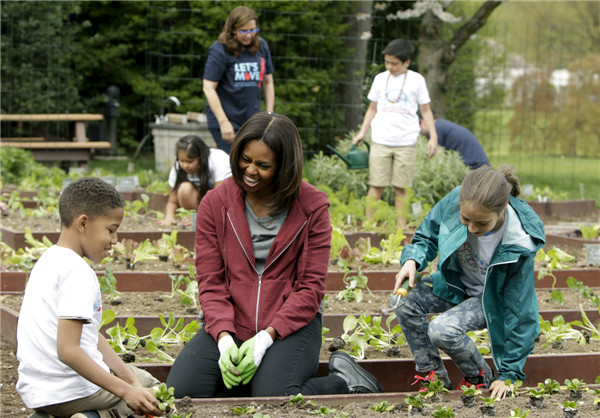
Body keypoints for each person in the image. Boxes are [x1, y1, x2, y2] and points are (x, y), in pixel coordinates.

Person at [166, 112, 383, 397]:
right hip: (231, 319)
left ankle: (346, 382)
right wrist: (223, 338)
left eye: (263, 165)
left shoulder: (312, 207)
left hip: (290, 324)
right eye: (245, 159)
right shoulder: (215, 203)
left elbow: (310, 288)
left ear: (285, 167)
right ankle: (246, 371)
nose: (250, 170)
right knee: (182, 393)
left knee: (273, 398)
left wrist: (265, 339)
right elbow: (211, 281)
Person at [393, 165, 545, 399]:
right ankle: (433, 377)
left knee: (442, 330)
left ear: (502, 209)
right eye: (465, 219)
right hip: (455, 285)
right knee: (403, 301)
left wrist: (509, 374)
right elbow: (426, 236)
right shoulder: (456, 199)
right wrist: (412, 260)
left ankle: (479, 377)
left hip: (491, 300)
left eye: (482, 223)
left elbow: (520, 309)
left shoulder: (519, 241)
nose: (472, 228)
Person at [16, 177, 164, 418]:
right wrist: (128, 391)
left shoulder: (48, 261)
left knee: (137, 379)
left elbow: (89, 335)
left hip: (40, 392)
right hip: (71, 391)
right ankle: (91, 417)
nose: (115, 240)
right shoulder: (78, 272)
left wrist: (127, 377)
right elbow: (67, 350)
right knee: (152, 391)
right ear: (83, 223)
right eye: (111, 230)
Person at [352, 38, 438, 229]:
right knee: (376, 185)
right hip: (381, 140)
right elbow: (372, 109)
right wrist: (362, 132)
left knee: (402, 188)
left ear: (407, 62)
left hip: (406, 142)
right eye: (387, 62)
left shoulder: (417, 80)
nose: (389, 66)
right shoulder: (380, 79)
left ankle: (401, 228)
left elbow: (425, 110)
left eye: (394, 63)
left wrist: (433, 137)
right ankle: (369, 225)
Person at [203, 6, 275, 154]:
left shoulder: (262, 46)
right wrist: (224, 123)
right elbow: (208, 87)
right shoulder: (219, 50)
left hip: (251, 119)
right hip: (226, 119)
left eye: (252, 30)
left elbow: (268, 82)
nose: (249, 35)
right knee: (234, 164)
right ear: (232, 30)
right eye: (244, 31)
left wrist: (269, 114)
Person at [158, 134, 231, 226]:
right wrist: (169, 216)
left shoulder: (218, 159)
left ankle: (206, 219)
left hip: (226, 203)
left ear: (201, 158)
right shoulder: (178, 168)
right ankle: (194, 217)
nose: (185, 165)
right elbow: (172, 201)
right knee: (184, 189)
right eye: (182, 161)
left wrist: (202, 217)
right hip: (204, 202)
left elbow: (219, 198)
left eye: (189, 161)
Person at [419, 111, 490, 170]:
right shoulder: (442, 125)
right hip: (479, 163)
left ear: (423, 122)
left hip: (473, 166)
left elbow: (436, 157)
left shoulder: (436, 129)